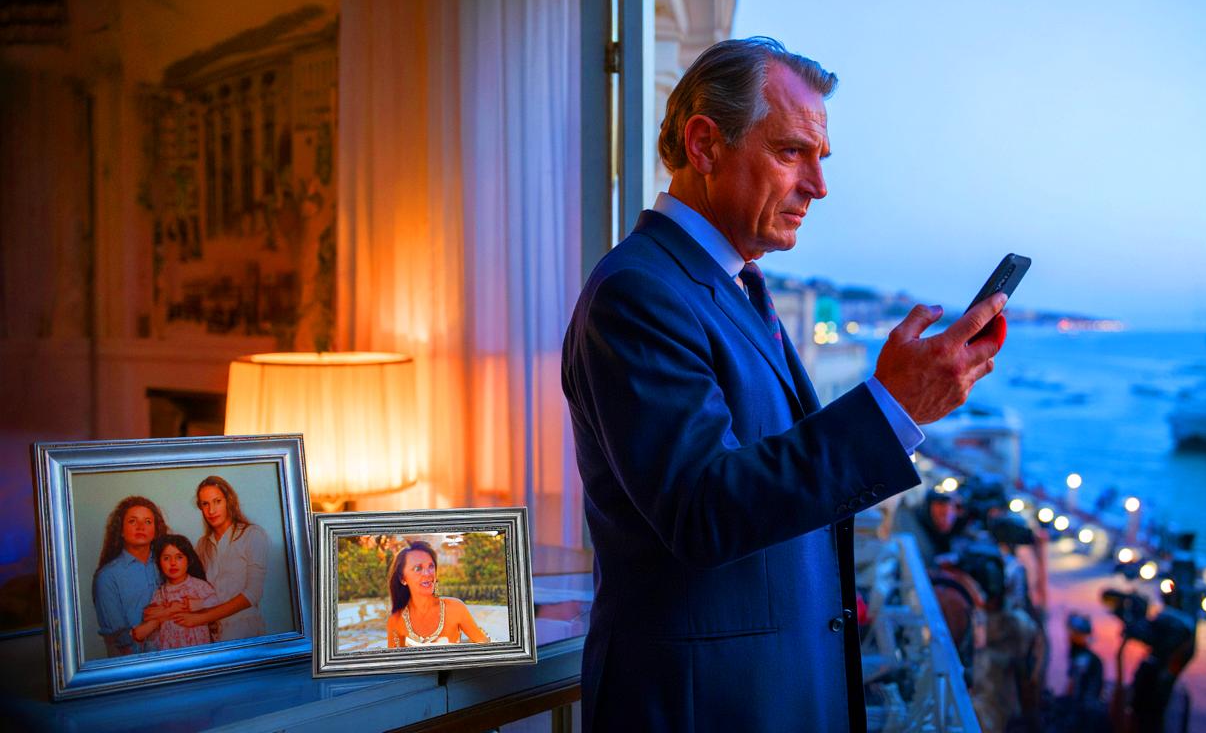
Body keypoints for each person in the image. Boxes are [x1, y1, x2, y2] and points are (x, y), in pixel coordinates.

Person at [561, 37, 1007, 732]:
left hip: (770, 693)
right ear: (704, 144)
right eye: (792, 151)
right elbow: (704, 508)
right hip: (702, 708)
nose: (819, 186)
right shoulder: (639, 292)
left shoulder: (737, 286)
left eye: (820, 158)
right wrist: (890, 408)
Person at [169, 476, 269, 641]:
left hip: (246, 631)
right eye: (205, 504)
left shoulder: (252, 535)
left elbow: (253, 594)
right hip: (213, 633)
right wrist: (163, 610)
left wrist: (203, 617)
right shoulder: (202, 545)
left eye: (217, 501)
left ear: (229, 501)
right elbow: (189, 585)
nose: (211, 510)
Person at [92, 496, 168, 656]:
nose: (141, 527)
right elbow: (118, 639)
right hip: (137, 664)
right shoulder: (107, 577)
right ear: (120, 530)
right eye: (133, 521)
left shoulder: (169, 563)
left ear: (156, 530)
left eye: (148, 522)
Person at [384, 541, 490, 647]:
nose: (428, 573)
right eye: (418, 568)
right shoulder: (395, 621)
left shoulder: (455, 609)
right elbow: (394, 662)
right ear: (403, 578)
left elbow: (486, 649)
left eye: (431, 566)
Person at [134, 534, 219, 650]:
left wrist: (194, 605)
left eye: (179, 557)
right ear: (159, 563)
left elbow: (216, 603)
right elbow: (151, 616)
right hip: (170, 650)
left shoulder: (199, 586)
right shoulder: (160, 593)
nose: (173, 563)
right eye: (166, 558)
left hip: (197, 646)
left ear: (189, 561)